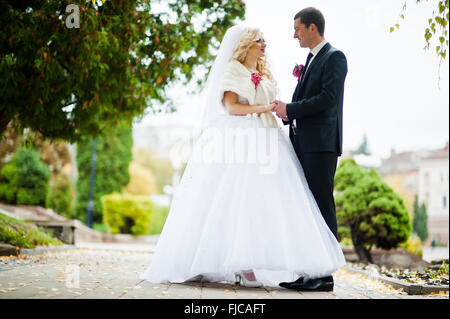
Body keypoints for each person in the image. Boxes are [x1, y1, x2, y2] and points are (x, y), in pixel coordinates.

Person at [139, 25, 345, 290]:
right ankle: (225, 262)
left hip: (269, 140)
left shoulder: (262, 72)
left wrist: (280, 109)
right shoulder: (233, 70)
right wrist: (265, 108)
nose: (264, 45)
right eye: (260, 41)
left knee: (266, 202)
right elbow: (231, 107)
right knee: (234, 198)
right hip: (240, 140)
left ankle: (256, 263)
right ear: (247, 44)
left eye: (264, 41)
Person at [273, 7, 348, 291]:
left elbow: (328, 99)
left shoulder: (335, 57)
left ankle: (325, 275)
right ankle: (309, 271)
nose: (295, 35)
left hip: (321, 147)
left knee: (322, 206)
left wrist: (290, 109)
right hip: (304, 144)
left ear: (313, 28)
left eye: (298, 29)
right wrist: (287, 112)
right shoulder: (311, 58)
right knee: (307, 208)